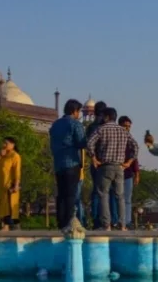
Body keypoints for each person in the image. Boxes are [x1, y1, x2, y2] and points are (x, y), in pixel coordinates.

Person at [85, 109, 133, 231]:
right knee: (120, 196)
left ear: (106, 117)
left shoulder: (101, 129)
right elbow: (135, 146)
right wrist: (129, 162)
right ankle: (122, 225)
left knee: (103, 194)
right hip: (119, 167)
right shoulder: (123, 130)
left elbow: (90, 143)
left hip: (105, 166)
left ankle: (107, 225)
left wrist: (94, 158)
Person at [51, 99, 88, 231]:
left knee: (61, 194)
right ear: (74, 111)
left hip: (58, 163)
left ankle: (60, 222)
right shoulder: (75, 124)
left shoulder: (55, 124)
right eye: (78, 111)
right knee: (71, 195)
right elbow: (82, 143)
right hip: (71, 162)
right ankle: (68, 223)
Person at [117, 116, 140, 230]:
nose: (127, 128)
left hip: (128, 173)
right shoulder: (115, 138)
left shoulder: (130, 140)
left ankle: (127, 221)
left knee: (127, 199)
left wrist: (137, 174)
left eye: (129, 127)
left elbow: (135, 157)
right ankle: (118, 221)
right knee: (116, 197)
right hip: (116, 172)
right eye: (125, 126)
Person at [0, 137, 22, 230]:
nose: (4, 145)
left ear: (12, 145)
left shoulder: (15, 156)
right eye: (3, 143)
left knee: (9, 206)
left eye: (6, 143)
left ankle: (7, 225)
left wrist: (16, 185)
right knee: (2, 206)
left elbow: (17, 171)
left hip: (10, 184)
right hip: (1, 186)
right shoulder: (3, 156)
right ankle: (11, 225)